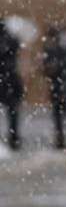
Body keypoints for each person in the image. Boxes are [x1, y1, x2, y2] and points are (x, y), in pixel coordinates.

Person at [42, 26, 66, 149]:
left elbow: (64, 67)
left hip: (62, 85)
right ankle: (60, 138)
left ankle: (62, 138)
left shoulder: (59, 50)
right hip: (57, 85)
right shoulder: (51, 49)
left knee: (62, 113)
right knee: (58, 114)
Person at [0, 19, 23, 151]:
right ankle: (14, 138)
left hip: (6, 79)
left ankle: (14, 138)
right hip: (11, 79)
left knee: (13, 111)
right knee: (13, 112)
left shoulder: (7, 41)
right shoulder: (12, 40)